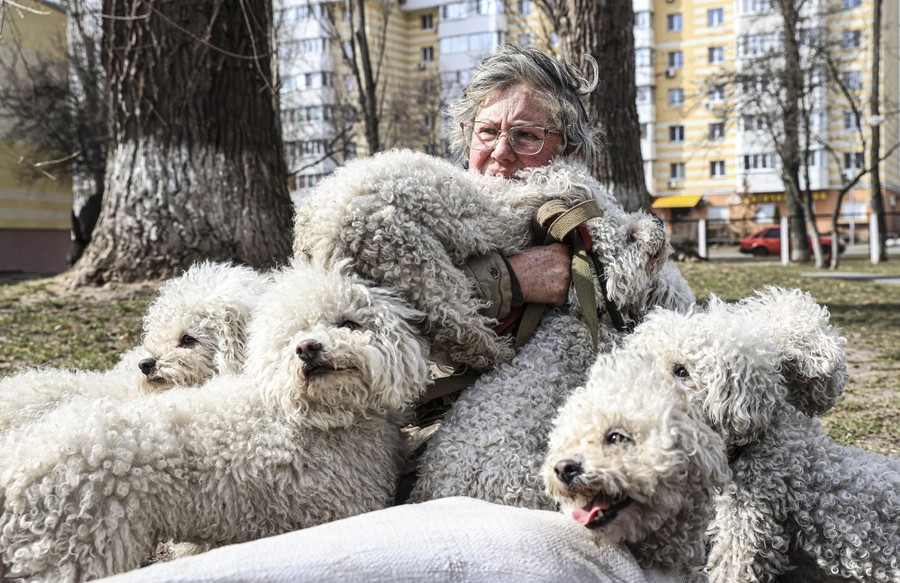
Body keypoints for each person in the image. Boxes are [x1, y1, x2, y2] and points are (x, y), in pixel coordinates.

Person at [453, 44, 603, 325]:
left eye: (525, 135)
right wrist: (511, 278)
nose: (500, 152)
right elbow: (395, 307)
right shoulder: (433, 215)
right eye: (486, 131)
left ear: (570, 151)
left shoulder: (604, 238)